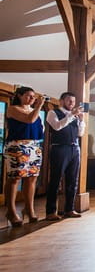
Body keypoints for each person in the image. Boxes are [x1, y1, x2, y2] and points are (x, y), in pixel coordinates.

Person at [4, 86, 45, 226]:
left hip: (33, 146)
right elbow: (29, 120)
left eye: (33, 96)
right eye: (28, 96)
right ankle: (11, 210)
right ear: (20, 96)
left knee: (32, 178)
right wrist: (38, 107)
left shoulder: (34, 111)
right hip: (17, 146)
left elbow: (38, 127)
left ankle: (29, 209)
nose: (32, 99)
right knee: (15, 178)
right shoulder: (13, 109)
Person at [46, 92, 86, 220]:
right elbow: (57, 127)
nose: (72, 104)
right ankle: (51, 211)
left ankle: (69, 209)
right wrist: (71, 115)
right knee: (55, 180)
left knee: (72, 180)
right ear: (61, 101)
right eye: (69, 101)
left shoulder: (74, 116)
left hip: (75, 148)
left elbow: (80, 134)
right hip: (59, 148)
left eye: (73, 102)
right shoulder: (53, 113)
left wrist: (81, 120)